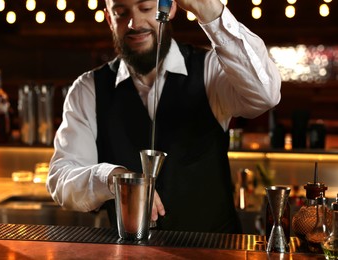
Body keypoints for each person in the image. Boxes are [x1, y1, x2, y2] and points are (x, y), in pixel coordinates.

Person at [46, 0, 281, 233]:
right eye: (120, 12)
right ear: (109, 19)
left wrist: (209, 10)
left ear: (169, 9)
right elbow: (61, 177)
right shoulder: (89, 88)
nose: (134, 23)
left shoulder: (210, 69)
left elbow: (265, 94)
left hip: (214, 251)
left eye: (146, 9)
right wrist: (110, 178)